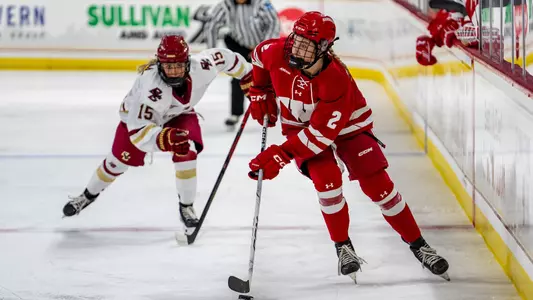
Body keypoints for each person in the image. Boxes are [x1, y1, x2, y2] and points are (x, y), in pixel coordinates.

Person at [246, 11, 450, 281]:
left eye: (307, 46)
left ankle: (420, 246)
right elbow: (258, 54)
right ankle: (344, 248)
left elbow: (320, 135)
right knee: (327, 181)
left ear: (323, 48)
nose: (297, 49)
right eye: (296, 40)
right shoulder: (276, 51)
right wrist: (260, 89)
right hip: (302, 129)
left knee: (379, 186)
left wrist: (281, 154)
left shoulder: (335, 80)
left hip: (348, 129)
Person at [63, 35, 253, 229]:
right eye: (168, 67)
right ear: (160, 64)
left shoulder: (202, 66)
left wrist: (248, 76)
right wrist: (163, 139)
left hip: (179, 114)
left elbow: (229, 58)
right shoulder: (150, 86)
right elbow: (138, 132)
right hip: (137, 123)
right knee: (116, 163)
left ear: (188, 63)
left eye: (178, 66)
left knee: (187, 152)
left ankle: (186, 207)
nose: (173, 72)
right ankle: (86, 196)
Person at [205, 0, 280, 130]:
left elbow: (273, 23)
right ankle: (235, 113)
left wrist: (263, 48)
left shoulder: (262, 3)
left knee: (268, 77)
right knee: (238, 78)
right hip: (239, 45)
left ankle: (272, 107)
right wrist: (211, 52)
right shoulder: (226, 5)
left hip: (261, 45)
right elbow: (211, 26)